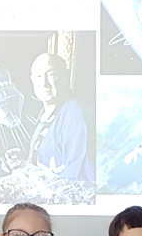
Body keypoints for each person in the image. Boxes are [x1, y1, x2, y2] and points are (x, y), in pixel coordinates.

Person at [26, 53, 94, 182]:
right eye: (38, 76)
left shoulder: (76, 113)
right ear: (32, 79)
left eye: (51, 74)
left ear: (65, 76)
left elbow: (78, 176)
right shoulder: (48, 111)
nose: (44, 83)